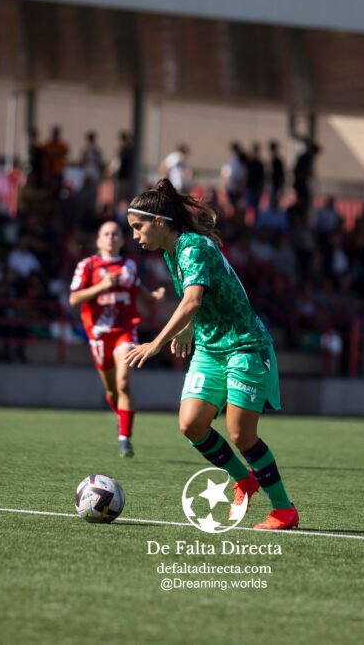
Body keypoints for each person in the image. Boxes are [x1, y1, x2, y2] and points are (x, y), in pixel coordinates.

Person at [123, 179, 299, 530]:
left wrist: (157, 343)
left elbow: (192, 301)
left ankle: (284, 510)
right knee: (191, 424)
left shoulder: (192, 248)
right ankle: (245, 480)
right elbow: (202, 296)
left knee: (241, 435)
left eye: (138, 227)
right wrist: (189, 327)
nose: (135, 236)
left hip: (244, 345)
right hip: (209, 347)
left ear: (159, 222)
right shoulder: (172, 252)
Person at [70, 221, 166, 457]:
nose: (111, 237)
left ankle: (125, 438)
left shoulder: (129, 265)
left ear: (122, 240)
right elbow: (74, 299)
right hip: (98, 333)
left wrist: (153, 297)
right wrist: (101, 286)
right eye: (106, 234)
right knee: (112, 391)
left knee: (123, 383)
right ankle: (121, 417)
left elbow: (138, 289)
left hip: (125, 329)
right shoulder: (87, 265)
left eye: (115, 234)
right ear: (98, 240)